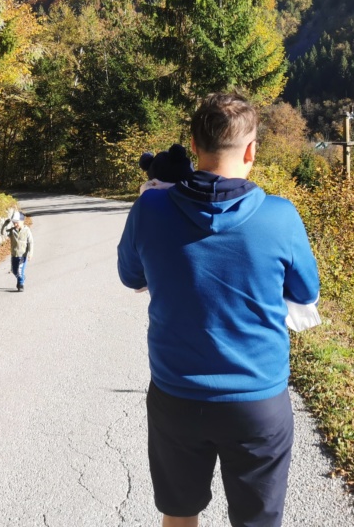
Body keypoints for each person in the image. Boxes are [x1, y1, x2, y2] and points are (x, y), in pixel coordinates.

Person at [117, 91, 320, 527]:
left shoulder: (150, 207)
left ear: (193, 145)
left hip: (177, 395)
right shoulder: (281, 216)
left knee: (179, 513)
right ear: (251, 151)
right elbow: (306, 295)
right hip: (258, 400)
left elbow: (131, 277)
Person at [1, 209, 33, 292]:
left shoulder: (27, 231)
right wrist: (5, 224)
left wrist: (30, 253)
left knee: (19, 270)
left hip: (23, 255)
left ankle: (20, 284)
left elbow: (30, 242)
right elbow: (3, 233)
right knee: (14, 270)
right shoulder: (12, 231)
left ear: (22, 221)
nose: (15, 224)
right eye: (13, 222)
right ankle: (22, 277)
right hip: (14, 255)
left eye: (17, 222)